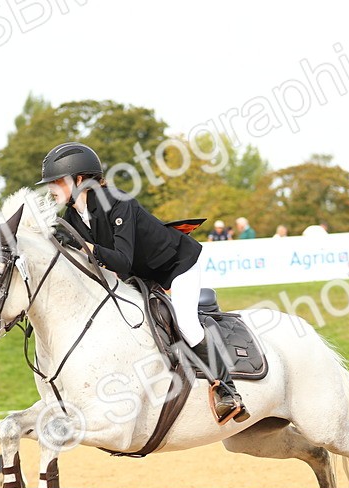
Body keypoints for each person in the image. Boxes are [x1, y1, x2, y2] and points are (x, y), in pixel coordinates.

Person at [37, 141, 248, 424]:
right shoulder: (72, 216)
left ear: (79, 181)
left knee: (185, 322)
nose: (51, 189)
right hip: (140, 274)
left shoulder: (117, 202)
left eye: (57, 182)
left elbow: (121, 260)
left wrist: (86, 246)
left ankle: (227, 390)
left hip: (176, 265)